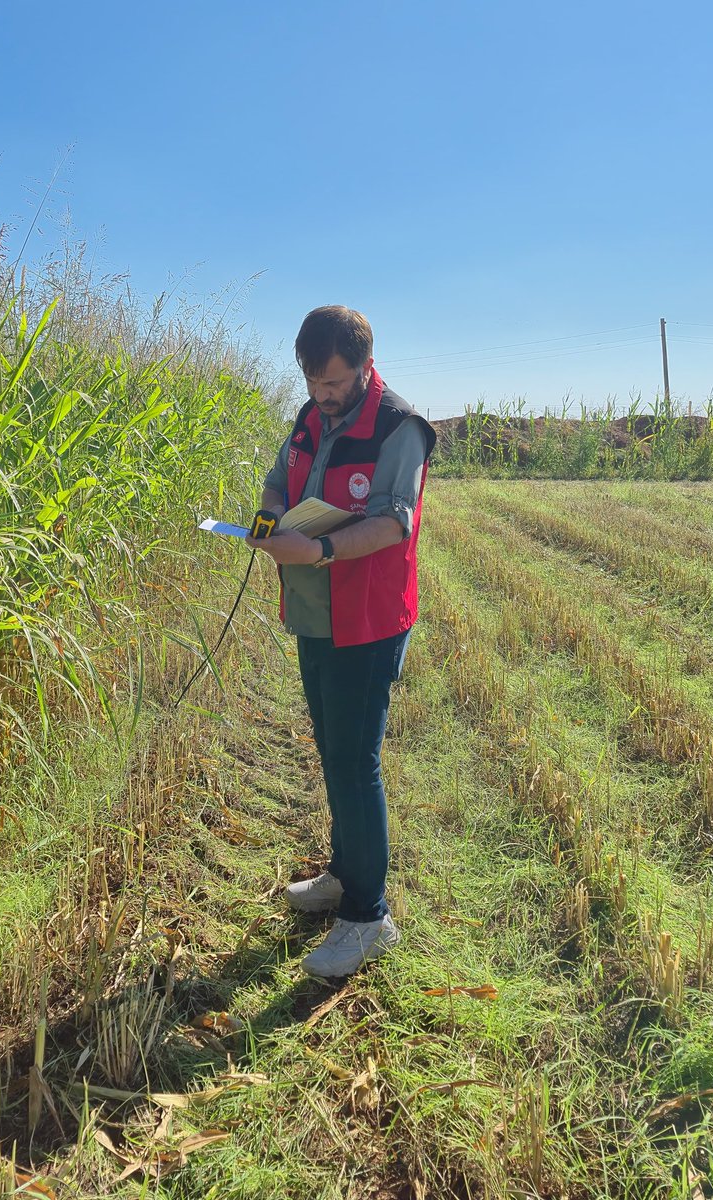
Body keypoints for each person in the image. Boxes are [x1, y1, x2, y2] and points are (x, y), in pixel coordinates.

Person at [246, 306, 436, 978]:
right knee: (331, 749)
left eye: (333, 383)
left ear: (363, 365)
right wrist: (269, 517)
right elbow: (278, 479)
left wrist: (319, 547)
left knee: (357, 763)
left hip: (368, 618)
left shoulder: (398, 428)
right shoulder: (307, 419)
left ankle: (367, 914)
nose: (321, 396)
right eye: (312, 382)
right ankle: (344, 871)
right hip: (315, 614)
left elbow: (393, 524)